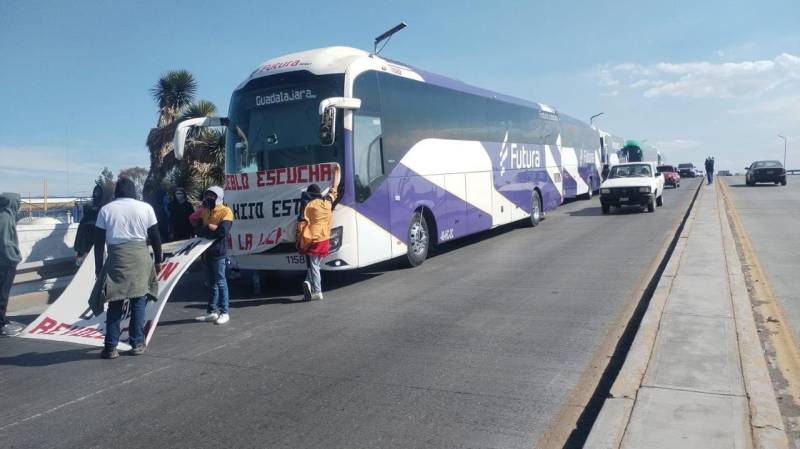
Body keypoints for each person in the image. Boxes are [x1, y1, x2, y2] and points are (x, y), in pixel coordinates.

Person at [89, 178, 162, 359]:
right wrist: (158, 260)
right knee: (138, 301)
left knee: (115, 302)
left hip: (117, 258)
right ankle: (137, 343)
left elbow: (98, 243)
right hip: (140, 257)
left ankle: (110, 347)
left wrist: (99, 268)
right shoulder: (146, 208)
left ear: (117, 192)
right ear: (133, 191)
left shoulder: (106, 210)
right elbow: (155, 236)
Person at [296, 165, 341, 301]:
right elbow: (334, 189)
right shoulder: (327, 202)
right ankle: (308, 282)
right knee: (316, 264)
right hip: (325, 239)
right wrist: (337, 172)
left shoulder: (308, 205)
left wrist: (300, 240)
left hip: (314, 240)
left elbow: (301, 223)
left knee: (314, 265)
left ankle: (317, 291)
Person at [194, 187, 234, 325]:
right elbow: (199, 229)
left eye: (212, 196)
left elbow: (222, 232)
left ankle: (224, 312)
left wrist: (210, 229)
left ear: (219, 197)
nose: (209, 198)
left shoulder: (226, 211)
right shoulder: (205, 211)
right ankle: (212, 312)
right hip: (206, 252)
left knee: (221, 282)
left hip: (218, 252)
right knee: (211, 284)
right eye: (208, 195)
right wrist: (210, 228)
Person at [0, 192, 23, 337]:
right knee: (2, 294)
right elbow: (5, 243)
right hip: (5, 263)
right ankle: (1, 325)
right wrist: (15, 257)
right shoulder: (6, 218)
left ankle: (3, 320)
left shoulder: (3, 216)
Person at [73, 184, 106, 266]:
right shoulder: (104, 211)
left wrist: (80, 253)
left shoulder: (86, 214)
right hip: (96, 246)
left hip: (85, 248)